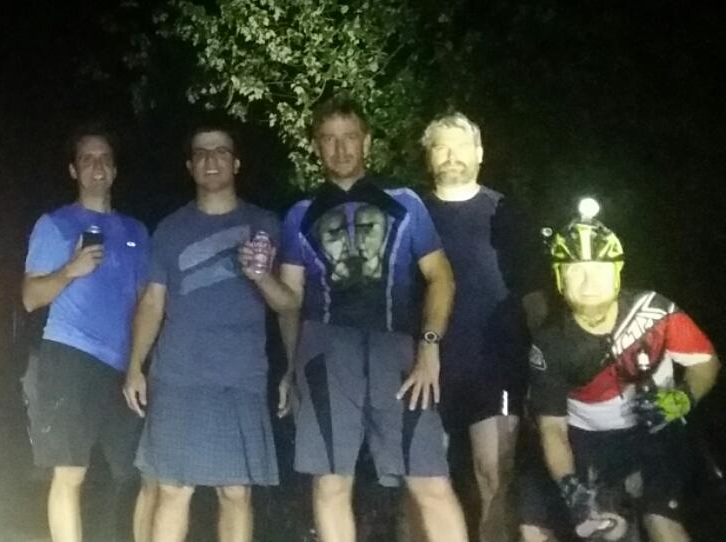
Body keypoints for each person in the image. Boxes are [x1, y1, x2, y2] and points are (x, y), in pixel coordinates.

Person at [276, 97, 468, 542]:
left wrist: (430, 345)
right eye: (329, 140)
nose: (340, 149)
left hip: (396, 350)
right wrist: (289, 369)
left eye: (349, 138)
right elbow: (290, 301)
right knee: (329, 482)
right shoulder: (299, 214)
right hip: (325, 351)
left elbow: (441, 277)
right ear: (316, 147)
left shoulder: (404, 202)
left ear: (366, 141)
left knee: (430, 480)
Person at [519, 199, 719, 542]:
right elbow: (552, 428)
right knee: (535, 529)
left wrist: (682, 399)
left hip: (653, 434)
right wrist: (570, 487)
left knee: (661, 521)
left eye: (598, 269)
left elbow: (706, 363)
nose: (587, 280)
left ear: (617, 272)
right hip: (585, 440)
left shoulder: (656, 311)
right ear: (559, 278)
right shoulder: (551, 342)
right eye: (575, 271)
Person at [123, 122, 280, 542]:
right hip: (178, 375)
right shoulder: (170, 229)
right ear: (191, 167)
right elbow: (153, 302)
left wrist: (262, 276)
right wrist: (135, 366)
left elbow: (288, 304)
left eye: (221, 152)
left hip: (241, 376)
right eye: (202, 153)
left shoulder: (263, 224)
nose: (212, 160)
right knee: (173, 488)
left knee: (235, 491)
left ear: (236, 162)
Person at [23, 126, 157, 542]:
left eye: (104, 159)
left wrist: (137, 364)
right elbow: (30, 297)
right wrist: (70, 269)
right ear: (73, 169)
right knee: (70, 473)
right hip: (70, 356)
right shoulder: (56, 225)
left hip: (123, 363)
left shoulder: (136, 232)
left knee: (143, 474)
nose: (96, 166)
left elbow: (144, 304)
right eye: (87, 159)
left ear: (114, 170)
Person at [420, 112, 548, 542]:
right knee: (421, 481)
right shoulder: (411, 213)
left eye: (461, 145)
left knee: (496, 477)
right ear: (428, 155)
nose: (452, 155)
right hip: (426, 368)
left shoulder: (508, 213)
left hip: (498, 367)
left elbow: (533, 294)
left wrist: (544, 365)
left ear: (479, 152)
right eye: (441, 145)